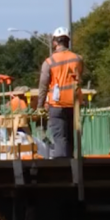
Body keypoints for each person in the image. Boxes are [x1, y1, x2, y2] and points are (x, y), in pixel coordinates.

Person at [37, 27, 83, 159]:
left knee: (60, 138)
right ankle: (73, 165)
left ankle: (62, 165)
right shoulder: (78, 59)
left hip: (57, 105)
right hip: (74, 103)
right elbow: (79, 78)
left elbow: (43, 86)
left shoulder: (49, 62)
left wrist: (40, 105)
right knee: (71, 137)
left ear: (55, 42)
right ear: (68, 41)